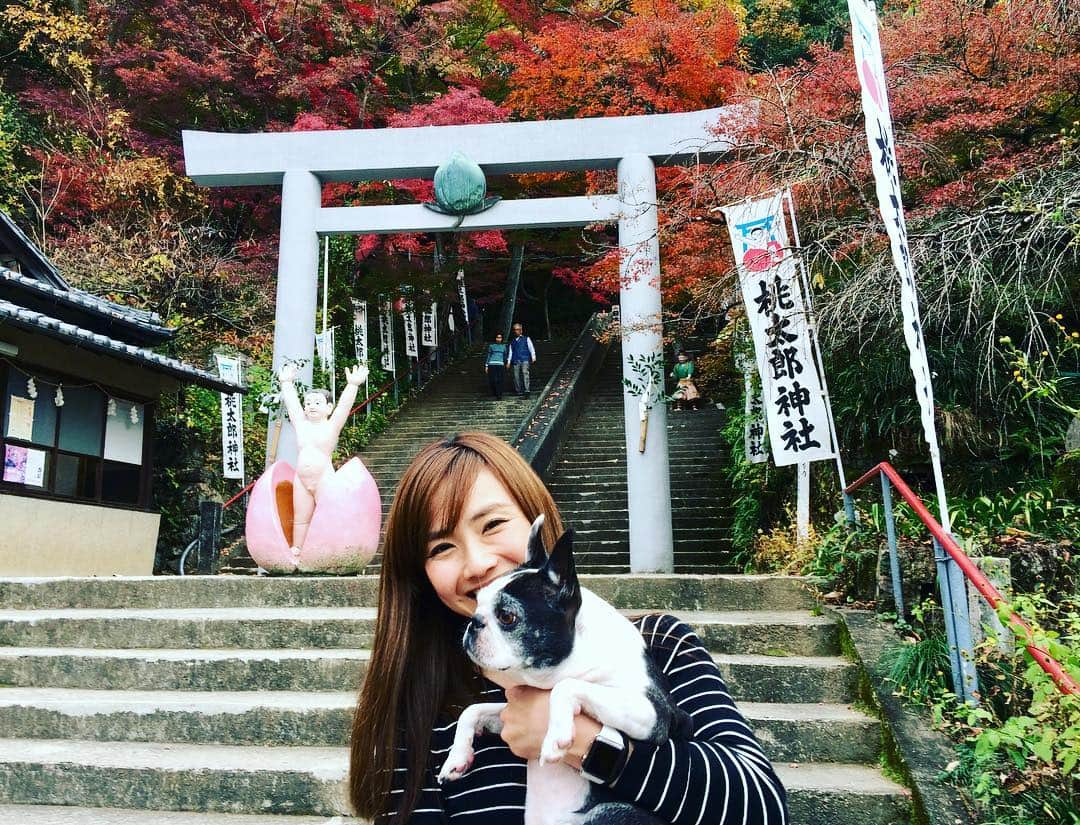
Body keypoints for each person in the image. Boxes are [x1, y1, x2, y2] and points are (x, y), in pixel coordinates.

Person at [349, 432, 789, 824]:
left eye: (494, 524)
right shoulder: (424, 700)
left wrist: (587, 745)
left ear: (536, 524)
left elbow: (761, 807)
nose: (478, 562)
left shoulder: (658, 647)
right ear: (420, 575)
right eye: (442, 547)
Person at [276, 361, 367, 553]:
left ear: (328, 407)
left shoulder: (331, 425)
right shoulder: (301, 424)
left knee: (331, 512)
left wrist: (352, 385)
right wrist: (286, 383)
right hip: (301, 477)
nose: (311, 406)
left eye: (317, 403)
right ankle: (298, 549)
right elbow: (292, 406)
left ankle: (336, 547)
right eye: (308, 403)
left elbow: (343, 408)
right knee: (301, 519)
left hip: (323, 476)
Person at [506, 322, 536, 397]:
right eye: (515, 330)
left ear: (521, 330)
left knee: (525, 373)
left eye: (518, 329)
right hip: (516, 360)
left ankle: (527, 390)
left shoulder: (526, 339)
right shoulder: (512, 342)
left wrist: (533, 356)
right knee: (516, 376)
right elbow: (510, 352)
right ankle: (518, 390)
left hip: (524, 358)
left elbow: (531, 348)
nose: (517, 331)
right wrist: (508, 362)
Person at [485, 332, 509, 400]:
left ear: (502, 339)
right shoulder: (491, 346)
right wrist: (486, 365)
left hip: (500, 364)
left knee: (500, 380)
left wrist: (506, 363)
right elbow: (489, 355)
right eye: (497, 337)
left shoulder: (504, 346)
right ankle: (494, 392)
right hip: (492, 364)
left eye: (500, 337)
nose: (499, 339)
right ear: (495, 338)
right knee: (493, 380)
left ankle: (499, 394)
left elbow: (505, 356)